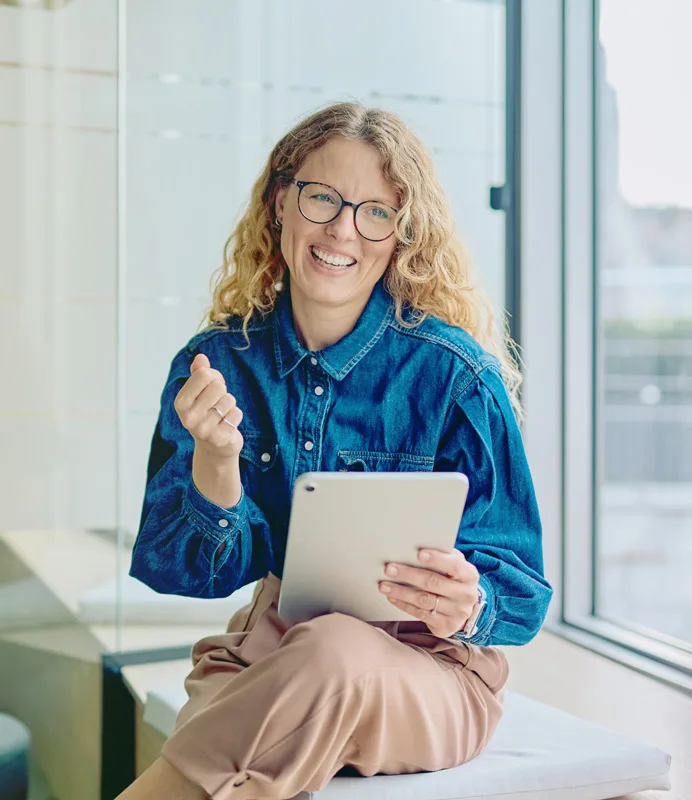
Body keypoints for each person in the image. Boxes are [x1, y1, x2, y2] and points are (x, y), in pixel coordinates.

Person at [117, 102, 553, 800]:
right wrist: (216, 463)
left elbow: (523, 594)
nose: (343, 230)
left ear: (399, 234)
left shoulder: (457, 376)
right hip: (269, 652)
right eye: (323, 198)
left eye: (375, 211)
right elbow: (178, 572)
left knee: (333, 649)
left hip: (431, 675)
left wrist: (469, 603)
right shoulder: (216, 364)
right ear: (280, 203)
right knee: (304, 667)